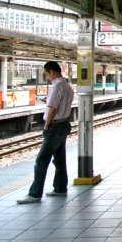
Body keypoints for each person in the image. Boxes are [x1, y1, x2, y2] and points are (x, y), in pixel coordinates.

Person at [17, 61, 74, 204]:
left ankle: (35, 194)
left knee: (41, 161)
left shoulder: (56, 86)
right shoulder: (67, 86)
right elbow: (59, 105)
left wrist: (46, 125)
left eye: (47, 74)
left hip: (55, 127)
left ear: (52, 72)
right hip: (64, 124)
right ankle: (60, 188)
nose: (47, 77)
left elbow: (53, 109)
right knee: (60, 160)